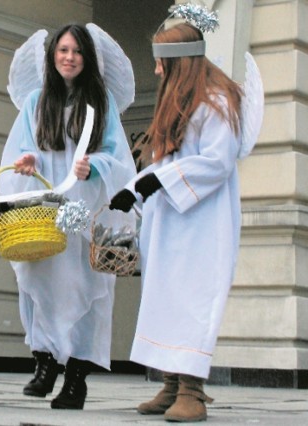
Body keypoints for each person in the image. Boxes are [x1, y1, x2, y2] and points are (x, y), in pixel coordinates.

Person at [109, 20, 247, 422]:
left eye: (159, 62)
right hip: (169, 224)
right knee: (164, 299)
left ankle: (193, 391)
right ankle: (171, 384)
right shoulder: (177, 106)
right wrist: (133, 189)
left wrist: (159, 179)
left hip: (203, 224)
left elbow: (217, 163)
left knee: (191, 300)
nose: (155, 70)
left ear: (178, 62)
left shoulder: (217, 104)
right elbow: (163, 161)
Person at [0, 23, 136, 410]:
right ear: (52, 56)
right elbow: (24, 148)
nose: (69, 57)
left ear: (87, 57)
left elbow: (118, 158)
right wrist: (27, 160)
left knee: (89, 290)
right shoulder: (36, 102)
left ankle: (76, 378)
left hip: (86, 210)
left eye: (76, 51)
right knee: (37, 279)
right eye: (62, 50)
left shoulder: (101, 101)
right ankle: (43, 363)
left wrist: (95, 167)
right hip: (47, 210)